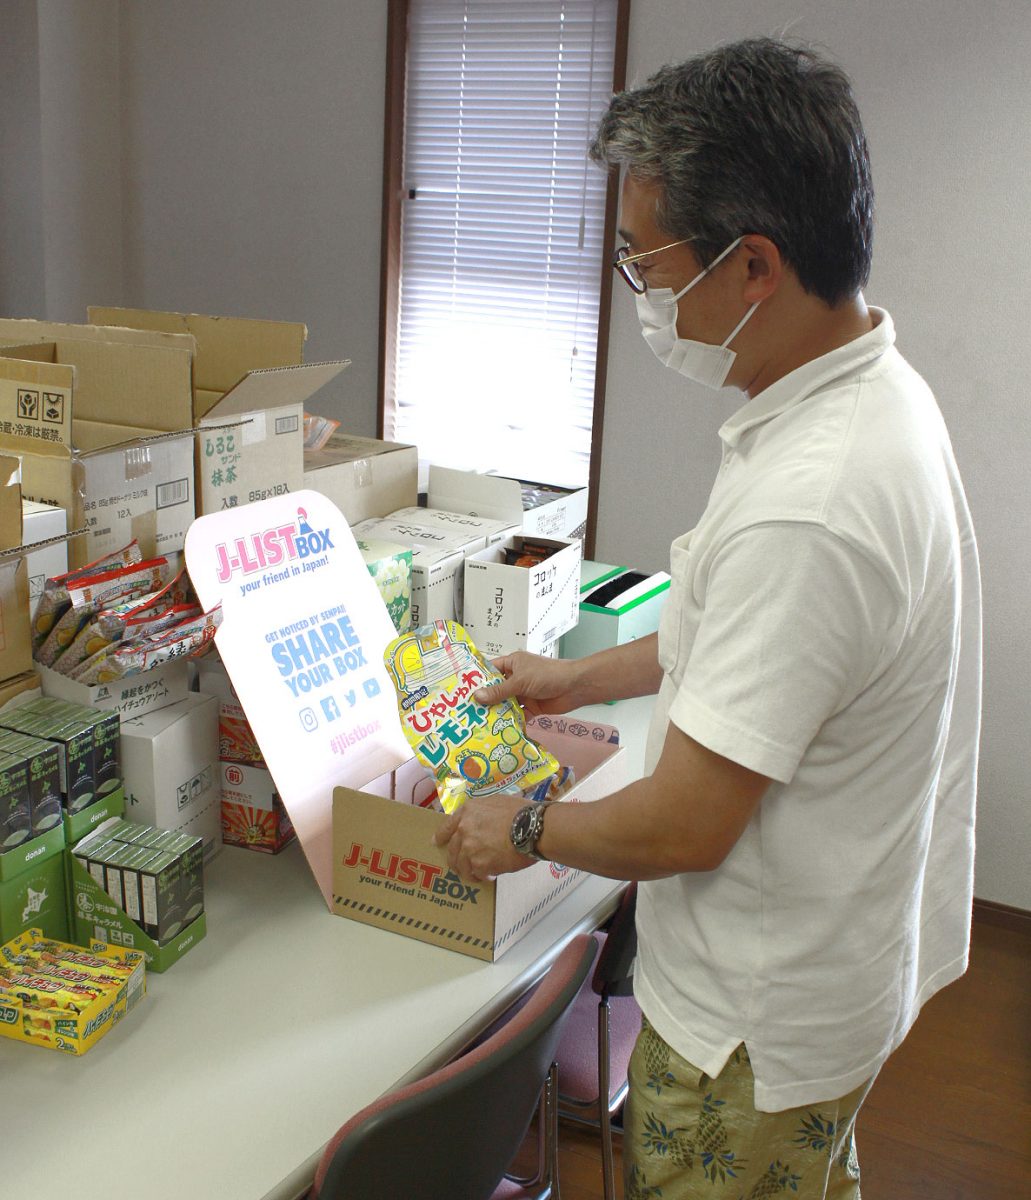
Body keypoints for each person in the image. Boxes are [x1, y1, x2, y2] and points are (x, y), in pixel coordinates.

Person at [434, 36, 981, 1200]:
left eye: (645, 261)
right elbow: (725, 636)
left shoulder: (811, 502)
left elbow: (684, 828)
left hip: (750, 1022)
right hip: (826, 972)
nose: (636, 293)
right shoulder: (860, 397)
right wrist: (575, 681)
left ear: (753, 267)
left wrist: (517, 832)